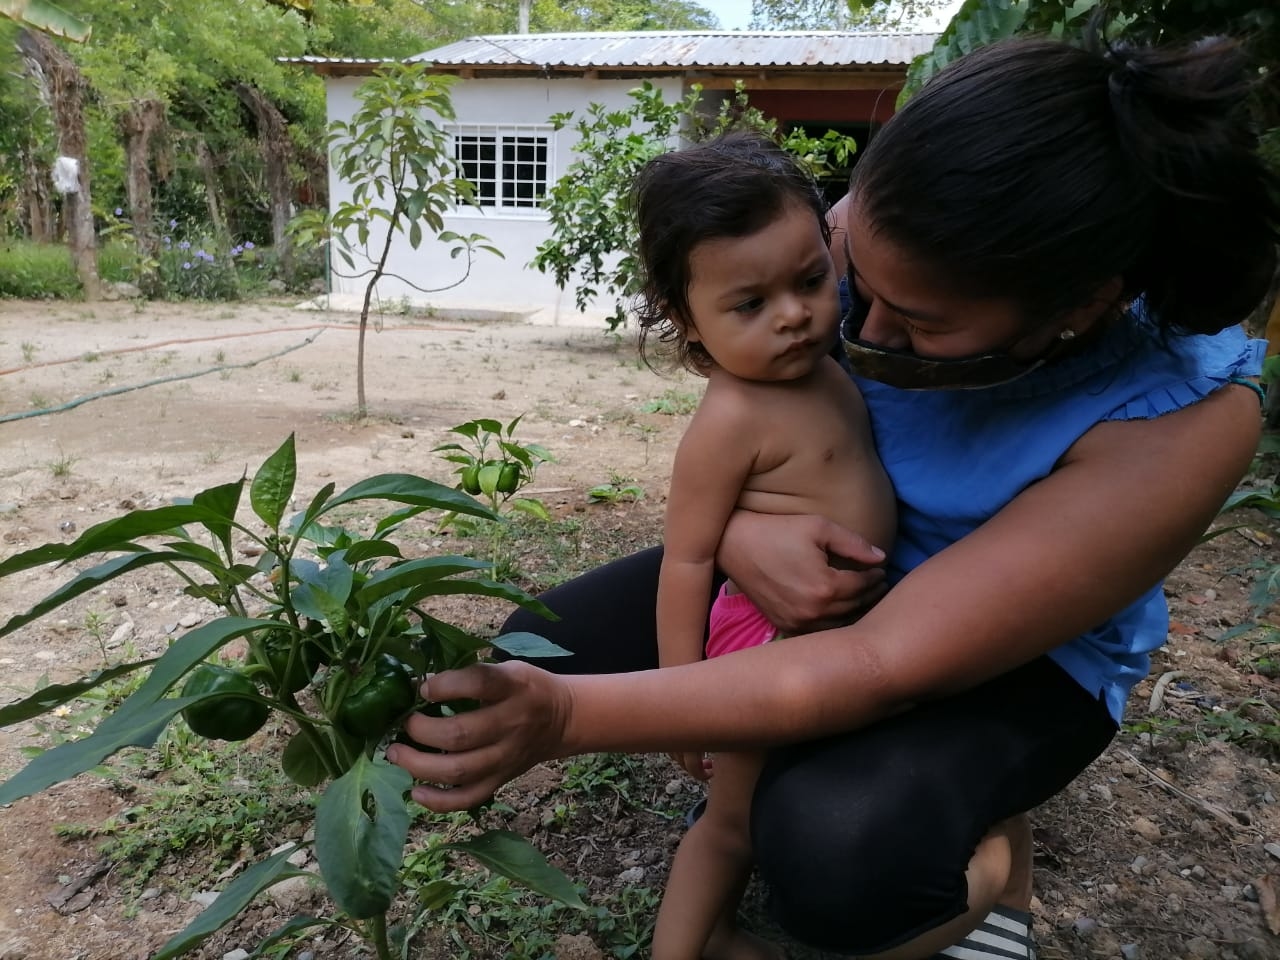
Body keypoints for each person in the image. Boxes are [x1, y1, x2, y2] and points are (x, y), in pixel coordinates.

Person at [389, 34, 1277, 960]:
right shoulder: (877, 232)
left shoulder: (1183, 418)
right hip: (844, 561)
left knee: (834, 845)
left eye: (919, 322)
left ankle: (997, 859)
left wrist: (568, 719)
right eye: (854, 280)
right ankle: (790, 763)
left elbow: (881, 662)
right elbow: (762, 419)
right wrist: (740, 533)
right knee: (552, 641)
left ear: (1081, 306)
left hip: (1015, 651)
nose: (860, 330)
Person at [630, 132, 896, 960]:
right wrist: (682, 696)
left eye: (811, 281)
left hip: (837, 636)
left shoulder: (829, 365)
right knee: (730, 821)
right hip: (767, 638)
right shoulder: (731, 418)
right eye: (749, 305)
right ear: (686, 318)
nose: (793, 315)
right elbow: (686, 560)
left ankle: (721, 930)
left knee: (778, 793)